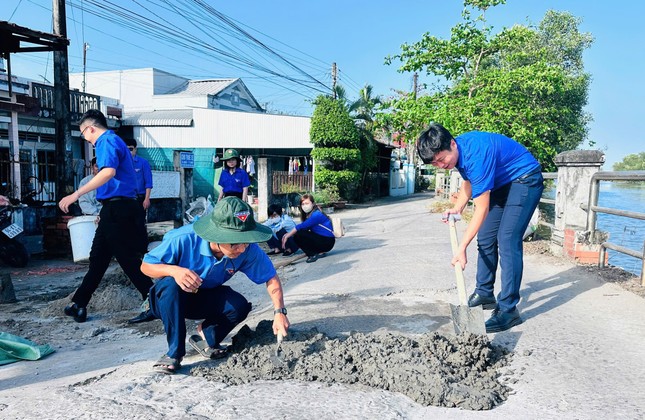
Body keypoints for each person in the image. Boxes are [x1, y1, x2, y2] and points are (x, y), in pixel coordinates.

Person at [137, 197, 290, 374]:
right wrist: (174, 271)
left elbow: (270, 277)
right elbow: (146, 266)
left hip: (203, 296)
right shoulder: (183, 238)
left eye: (245, 242)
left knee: (238, 306)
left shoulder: (246, 250)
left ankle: (207, 336)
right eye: (234, 243)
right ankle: (174, 353)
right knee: (171, 285)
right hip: (168, 299)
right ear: (216, 236)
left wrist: (279, 312)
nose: (241, 249)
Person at [416, 122, 544, 333]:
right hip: (502, 184)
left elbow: (481, 209)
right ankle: (485, 293)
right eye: (435, 164)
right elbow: (469, 181)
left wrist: (461, 248)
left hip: (524, 179)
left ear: (452, 144)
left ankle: (508, 309)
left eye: (441, 159)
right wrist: (456, 209)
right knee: (485, 237)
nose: (441, 166)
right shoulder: (460, 152)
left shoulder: (477, 154)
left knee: (507, 239)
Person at [58, 109, 153, 323]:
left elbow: (108, 172)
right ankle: (79, 304)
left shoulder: (106, 140)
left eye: (84, 134)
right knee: (98, 259)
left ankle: (154, 300)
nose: (86, 139)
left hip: (120, 208)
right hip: (112, 208)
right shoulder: (112, 141)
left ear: (90, 128)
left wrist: (76, 194)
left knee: (126, 259)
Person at [281, 194, 335, 263]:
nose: (304, 206)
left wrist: (288, 235)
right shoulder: (310, 214)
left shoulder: (316, 214)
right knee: (300, 233)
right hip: (324, 240)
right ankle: (318, 252)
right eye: (303, 204)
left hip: (327, 242)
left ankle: (313, 254)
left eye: (307, 203)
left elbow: (301, 226)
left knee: (298, 234)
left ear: (313, 204)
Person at [124, 137, 152, 253]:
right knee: (127, 226)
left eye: (130, 149)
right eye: (126, 150)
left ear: (135, 149)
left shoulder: (143, 163)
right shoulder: (122, 164)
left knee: (139, 225)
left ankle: (142, 251)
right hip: (126, 199)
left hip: (139, 198)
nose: (129, 152)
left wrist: (146, 198)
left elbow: (148, 182)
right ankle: (130, 251)